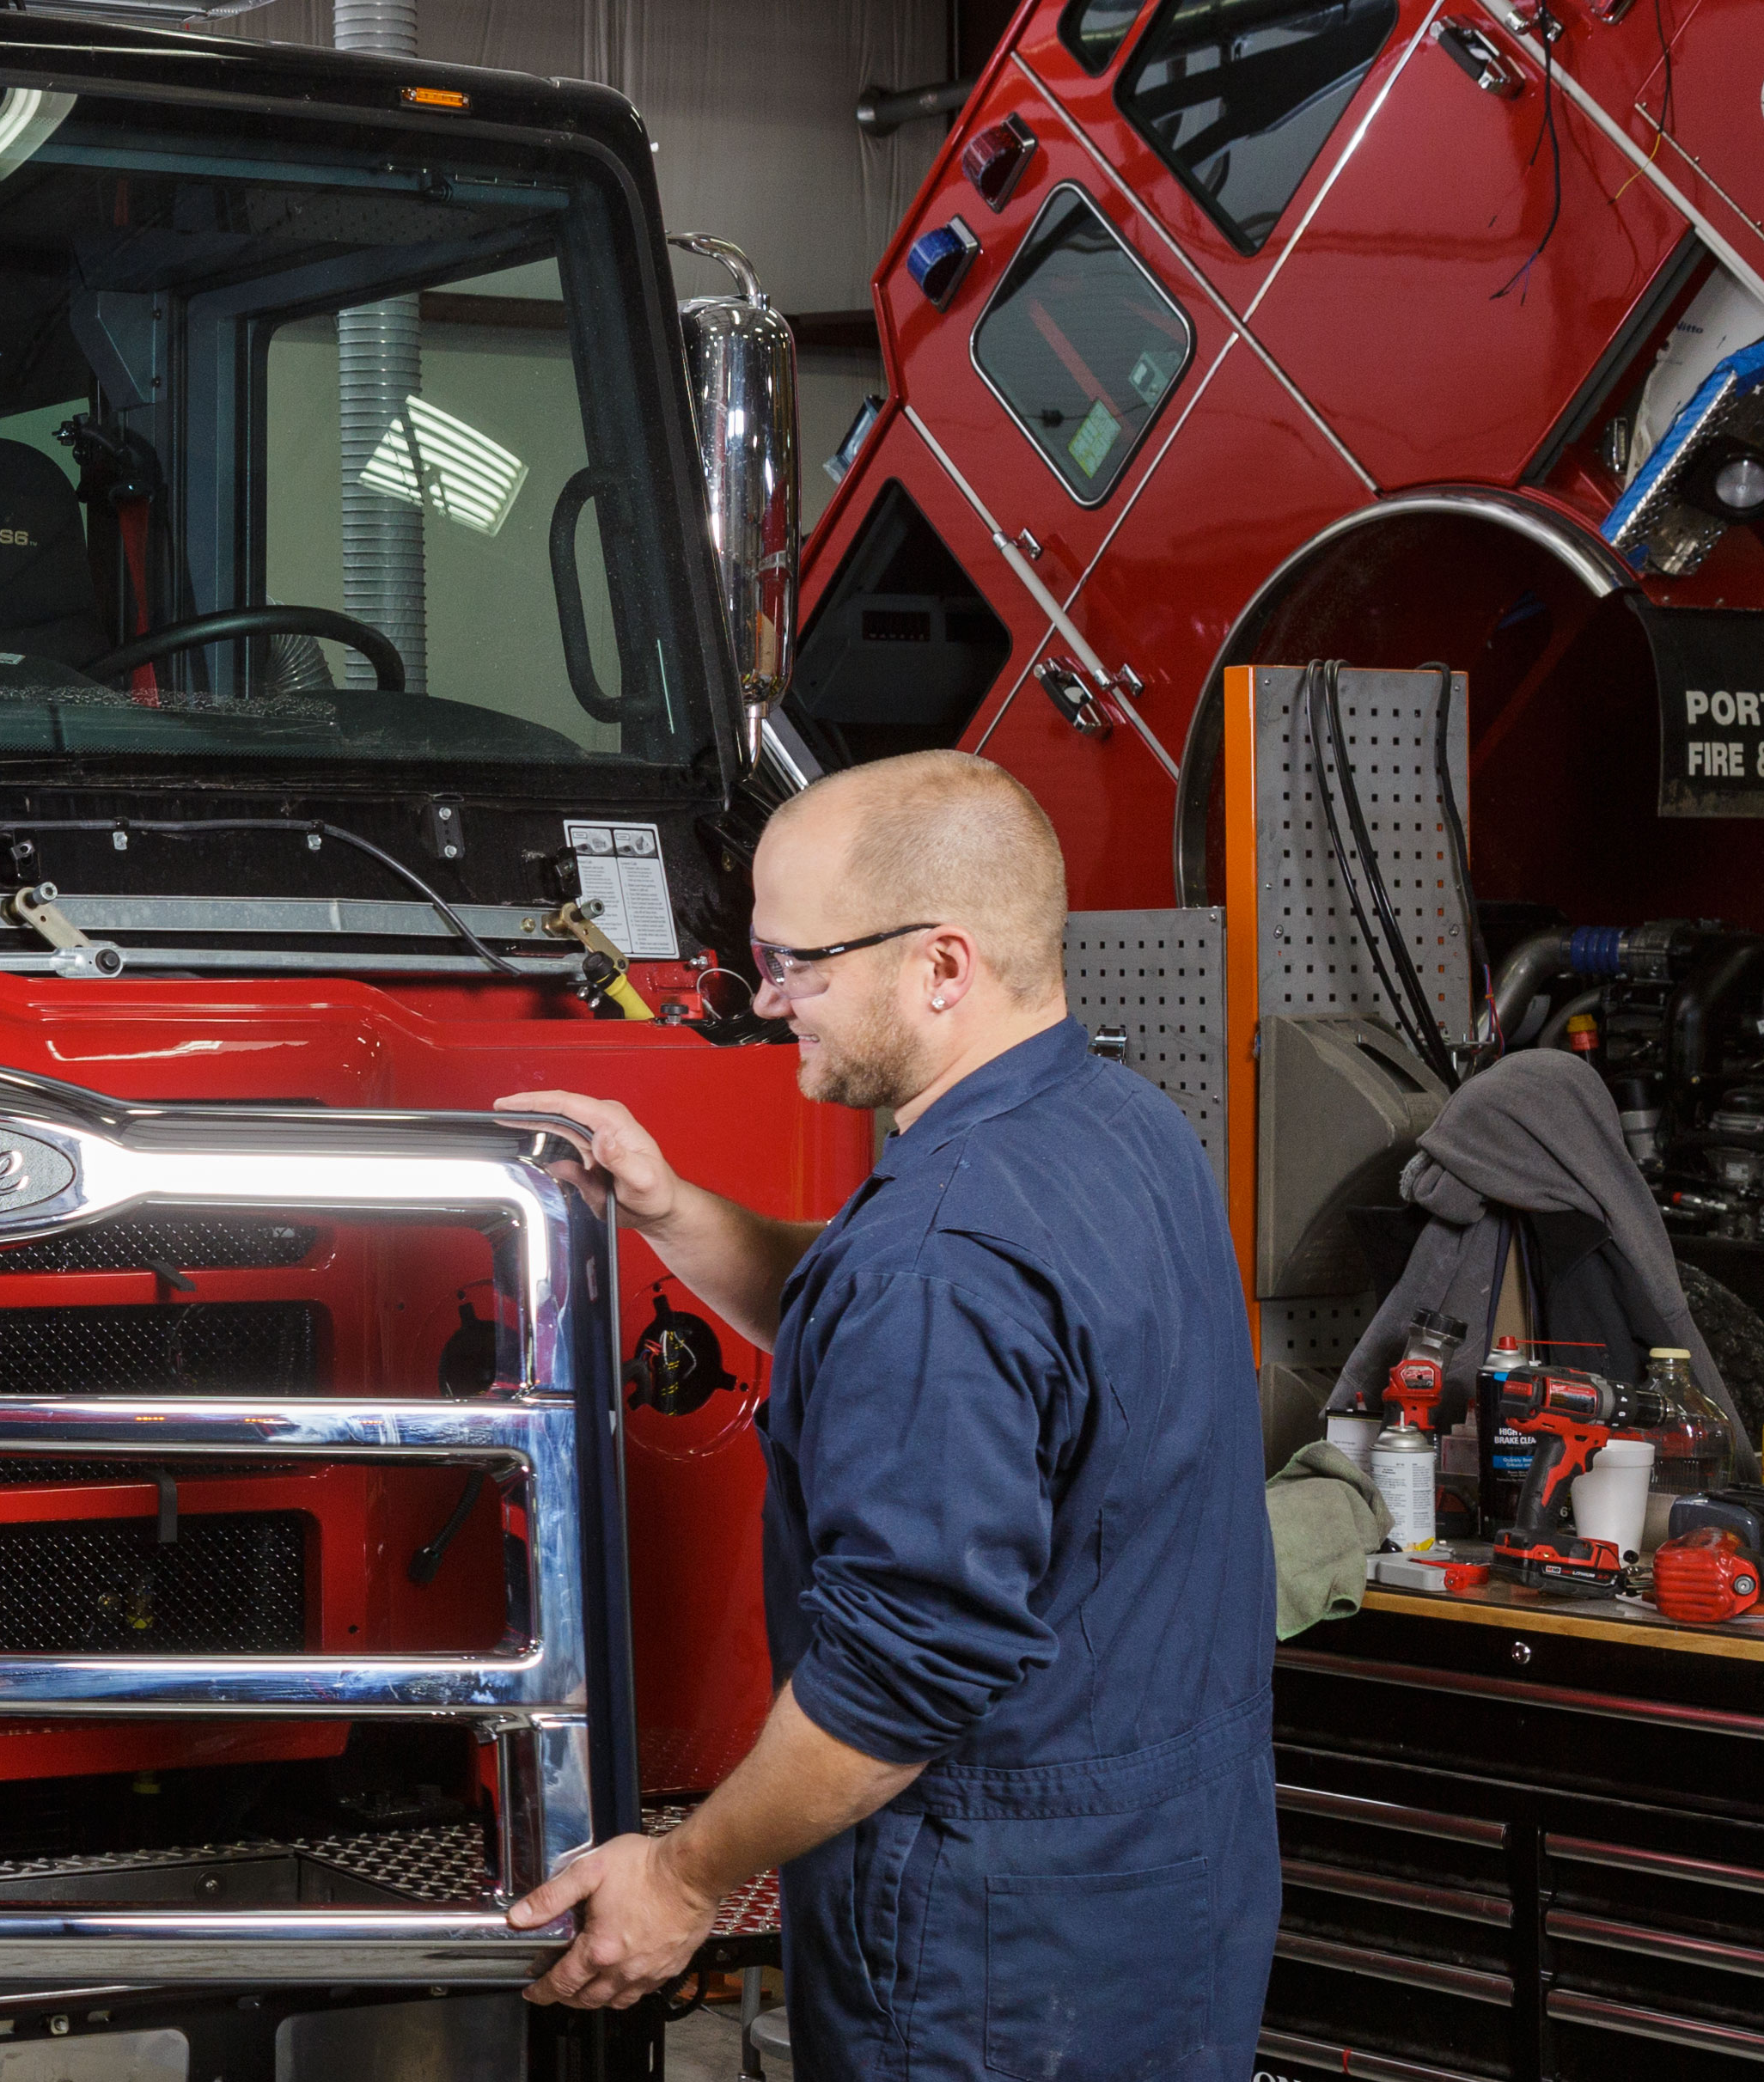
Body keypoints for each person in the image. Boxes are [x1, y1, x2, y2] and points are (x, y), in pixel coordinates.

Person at [499, 750, 1275, 2077]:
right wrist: (668, 1204)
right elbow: (871, 1300)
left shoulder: (941, 1253)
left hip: (992, 1960)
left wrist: (683, 1882)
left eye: (800, 963)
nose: (770, 998)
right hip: (1162, 1903)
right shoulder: (1120, 1128)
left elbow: (893, 1682)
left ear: (942, 966)